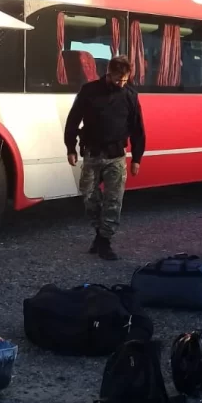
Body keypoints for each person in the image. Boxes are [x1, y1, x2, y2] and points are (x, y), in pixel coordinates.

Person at [64, 55, 146, 260]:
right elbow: (73, 120)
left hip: (116, 156)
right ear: (108, 73)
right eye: (118, 79)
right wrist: (70, 148)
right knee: (89, 198)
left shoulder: (130, 95)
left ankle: (105, 242)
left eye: (125, 80)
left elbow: (138, 129)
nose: (121, 83)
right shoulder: (89, 91)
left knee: (113, 201)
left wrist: (137, 158)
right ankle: (100, 234)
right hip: (92, 154)